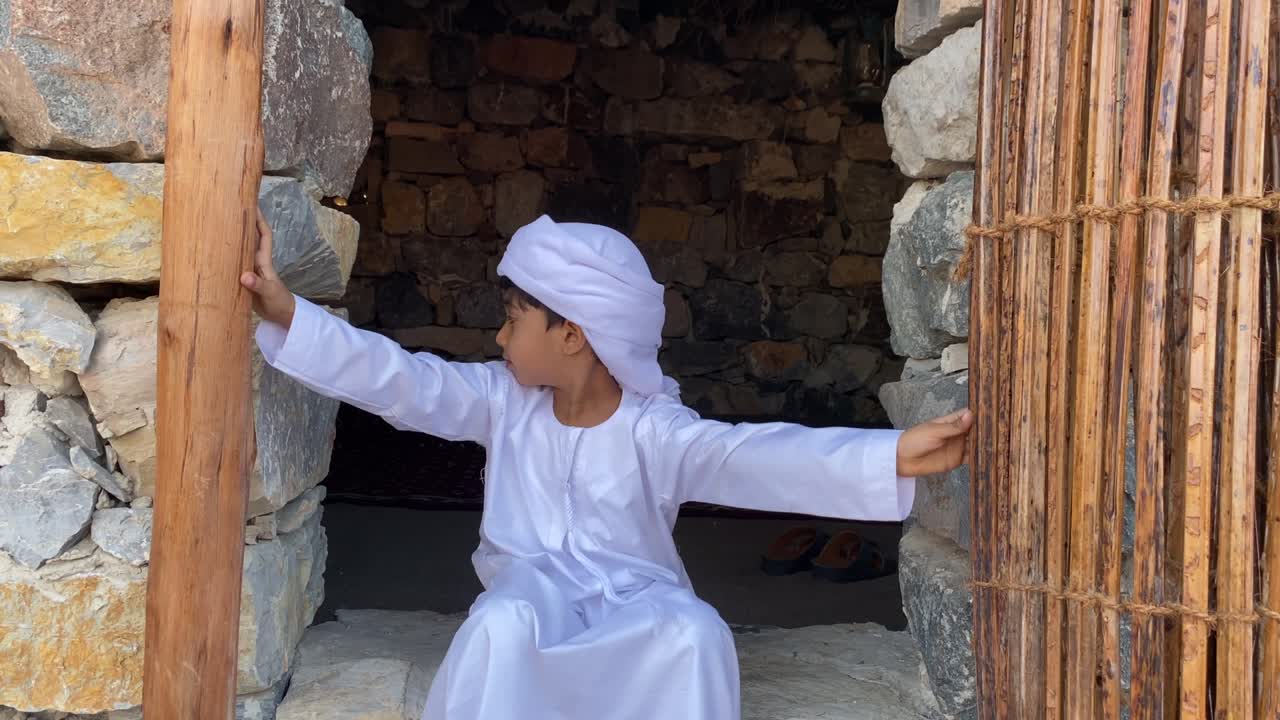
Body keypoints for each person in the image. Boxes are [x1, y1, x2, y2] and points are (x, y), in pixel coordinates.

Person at [242, 209, 973, 720]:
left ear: (573, 334)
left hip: (635, 603)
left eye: (514, 319)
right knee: (500, 628)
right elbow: (402, 378)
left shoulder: (656, 430)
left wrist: (893, 455)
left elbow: (754, 455)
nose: (498, 337)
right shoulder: (501, 402)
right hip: (529, 600)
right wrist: (286, 312)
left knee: (695, 635)